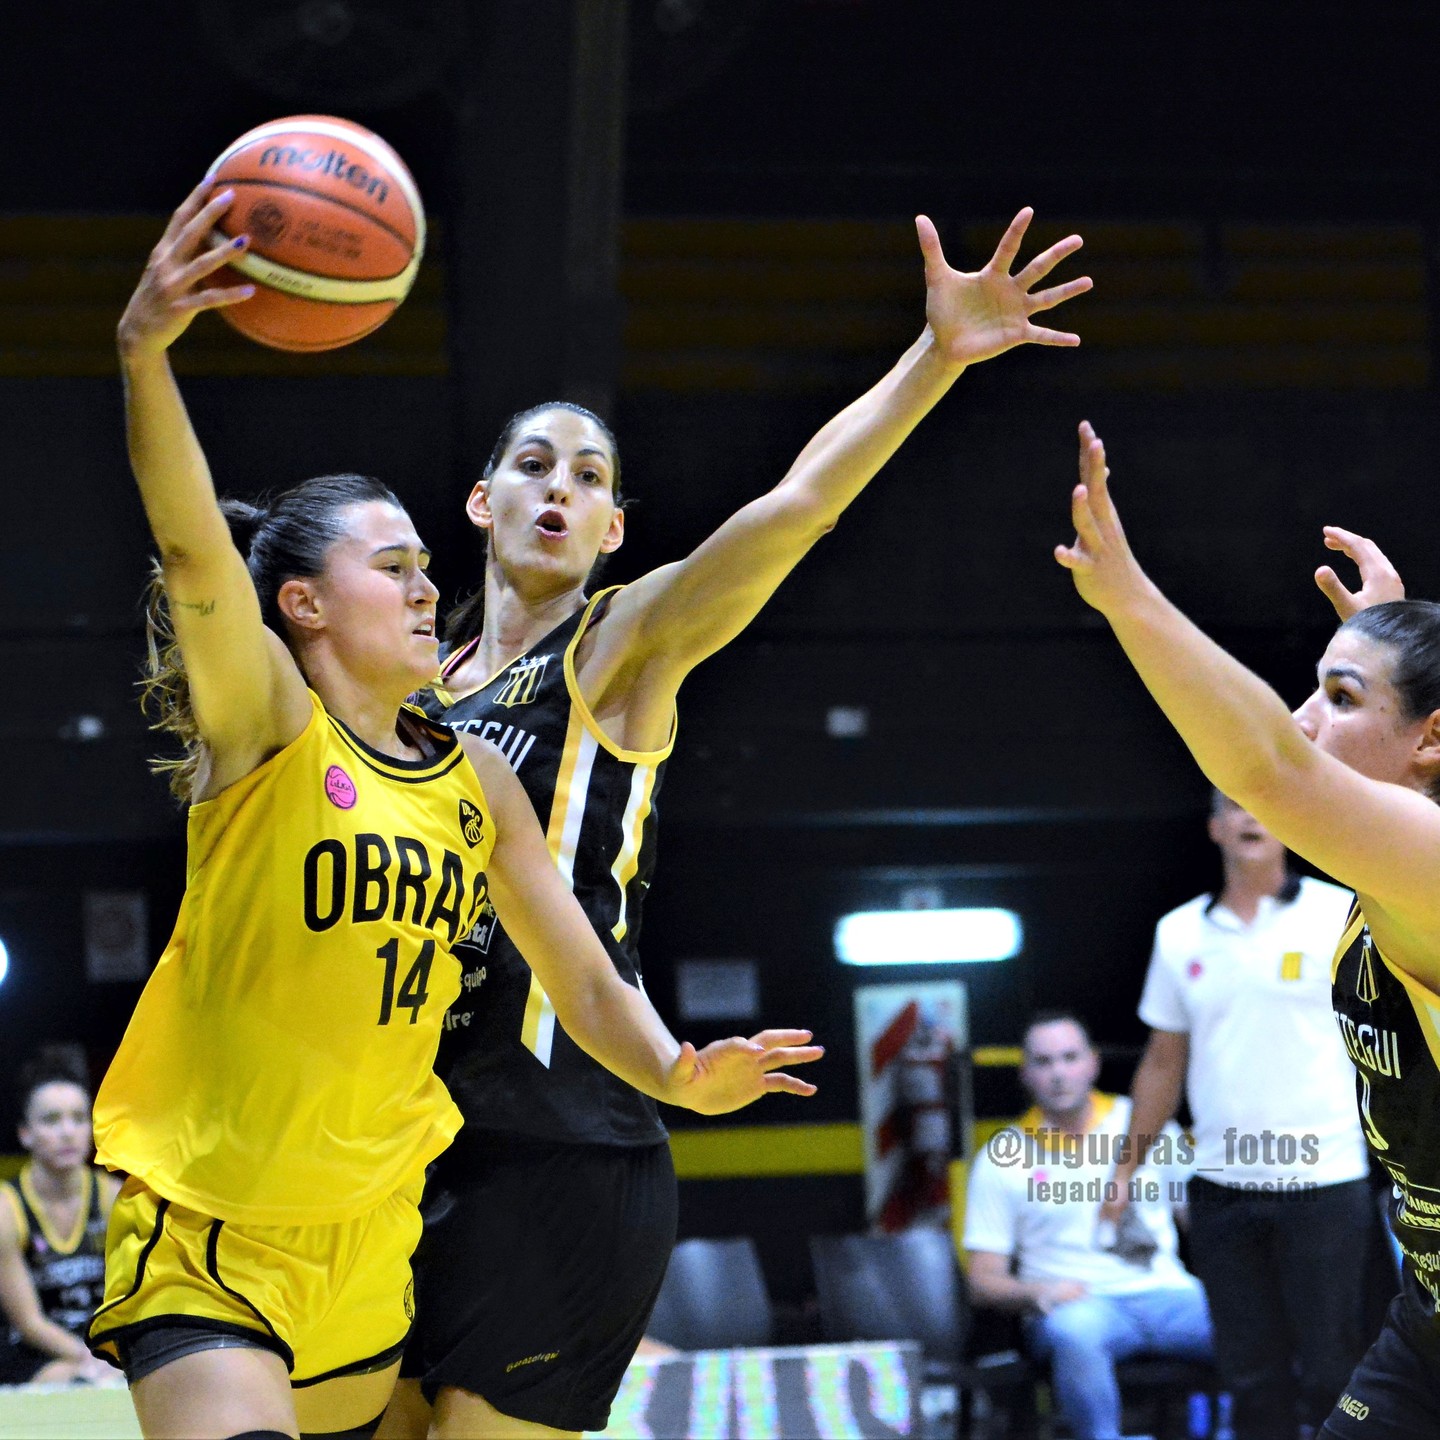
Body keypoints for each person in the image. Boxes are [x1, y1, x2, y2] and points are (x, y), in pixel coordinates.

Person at [83, 184, 822, 1440]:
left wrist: (677, 1078)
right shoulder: (267, 724)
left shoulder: (474, 774)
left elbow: (582, 979)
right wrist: (145, 353)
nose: (429, 588)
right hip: (217, 1219)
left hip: (377, 1234)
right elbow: (199, 550)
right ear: (306, 608)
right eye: (394, 569)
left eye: (430, 567)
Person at [385, 208, 1094, 1440]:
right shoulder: (426, 692)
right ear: (479, 497)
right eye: (537, 466)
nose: (561, 488)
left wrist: (933, 359)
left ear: (613, 532)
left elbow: (799, 504)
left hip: (568, 1143)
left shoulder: (620, 649)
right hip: (416, 1145)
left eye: (591, 479)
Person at [1056, 420, 1440, 1438]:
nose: (1308, 717)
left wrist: (1128, 599)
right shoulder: (1382, 870)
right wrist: (1397, 629)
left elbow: (1272, 765)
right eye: (1312, 690)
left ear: (1432, 737)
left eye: (1340, 696)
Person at [1104, 788, 1369, 1439]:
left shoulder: (1339, 912)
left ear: (1287, 821)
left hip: (1327, 1184)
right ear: (1216, 827)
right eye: (1235, 805)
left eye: (1263, 803)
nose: (1251, 816)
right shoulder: (1179, 933)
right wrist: (1124, 1171)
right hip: (1222, 1191)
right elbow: (1163, 1063)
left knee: (1335, 1369)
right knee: (1250, 1375)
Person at [964, 1012, 1212, 1440]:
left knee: (1252, 1320)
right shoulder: (1001, 1156)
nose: (1058, 1072)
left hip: (1170, 1296)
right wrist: (1038, 1293)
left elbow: (1205, 1224)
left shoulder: (1147, 1126)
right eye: (1043, 1062)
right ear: (1025, 1074)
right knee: (1073, 1331)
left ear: (1093, 1063)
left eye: (1069, 1057)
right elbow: (983, 1280)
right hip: (1079, 1306)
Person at [0, 1049, 118, 1387]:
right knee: (75, 1384)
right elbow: (29, 1322)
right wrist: (91, 1363)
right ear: (26, 1133)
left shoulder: (113, 1197)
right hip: (38, 1350)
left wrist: (115, 1360)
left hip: (107, 1346)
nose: (68, 1132)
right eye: (52, 1120)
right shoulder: (7, 1209)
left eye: (79, 1118)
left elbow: (132, 1299)